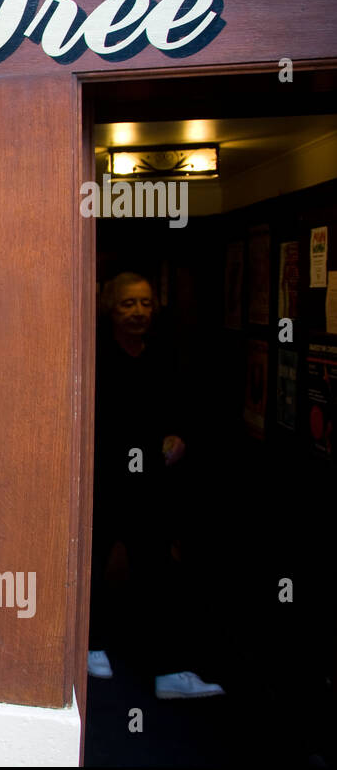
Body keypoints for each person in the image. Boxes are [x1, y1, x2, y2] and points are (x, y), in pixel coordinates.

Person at [89, 272, 225, 699]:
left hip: (151, 484)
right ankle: (89, 647)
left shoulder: (164, 356)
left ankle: (168, 671)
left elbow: (184, 411)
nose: (139, 312)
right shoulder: (95, 356)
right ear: (111, 307)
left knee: (157, 572)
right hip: (104, 479)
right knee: (90, 562)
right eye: (129, 303)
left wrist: (179, 437)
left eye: (146, 303)